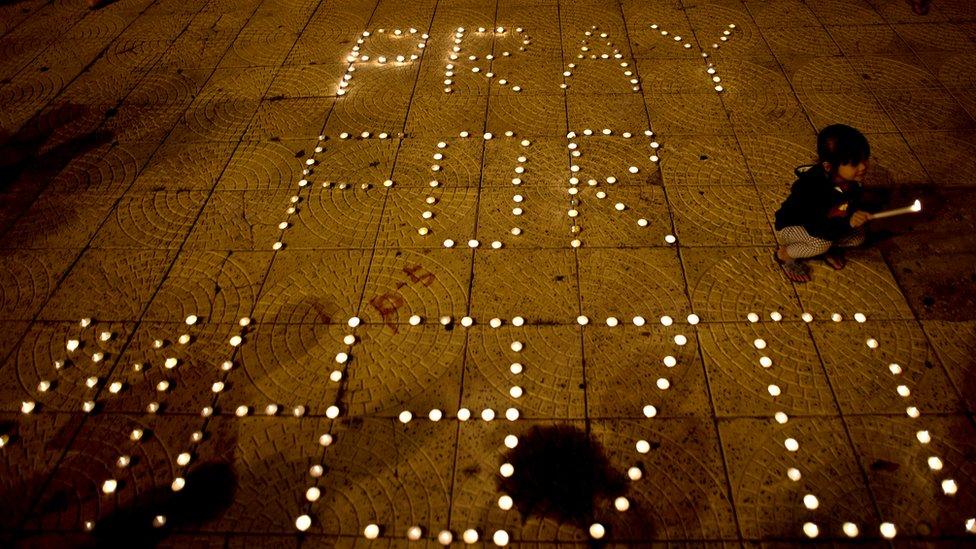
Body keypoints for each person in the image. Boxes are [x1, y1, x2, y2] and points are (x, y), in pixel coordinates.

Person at [774, 124, 873, 283]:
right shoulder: (812, 189)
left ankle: (825, 248)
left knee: (859, 236)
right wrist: (848, 222)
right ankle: (784, 255)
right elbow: (818, 227)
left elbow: (849, 206)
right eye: (854, 163)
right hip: (792, 228)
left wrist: (857, 214)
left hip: (829, 225)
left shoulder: (853, 182)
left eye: (864, 158)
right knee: (820, 243)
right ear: (828, 166)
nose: (863, 167)